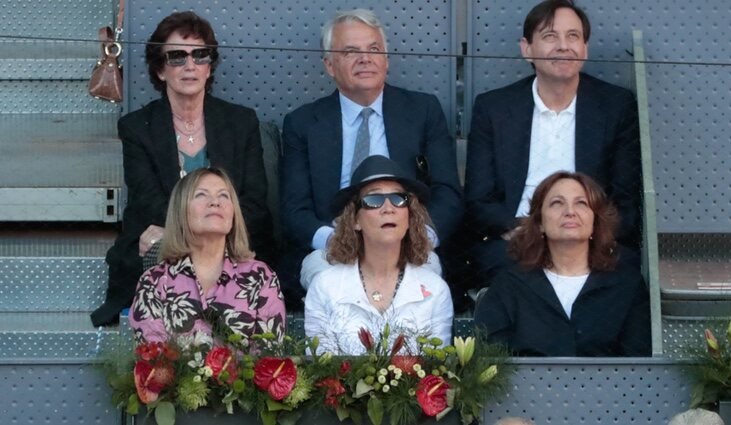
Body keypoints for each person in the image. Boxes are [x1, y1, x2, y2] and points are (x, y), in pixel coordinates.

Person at [91, 11, 274, 326]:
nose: (190, 65)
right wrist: (200, 235)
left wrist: (203, 238)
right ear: (160, 70)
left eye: (199, 55)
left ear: (209, 66)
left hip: (227, 245)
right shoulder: (137, 127)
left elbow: (254, 202)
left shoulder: (241, 122)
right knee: (150, 249)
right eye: (176, 57)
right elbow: (149, 204)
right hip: (162, 252)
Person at [280, 9, 462, 309]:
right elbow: (293, 209)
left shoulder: (422, 111)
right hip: (332, 247)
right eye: (351, 51)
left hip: (409, 243)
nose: (365, 58)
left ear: (386, 60)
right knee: (325, 283)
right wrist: (336, 243)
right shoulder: (303, 123)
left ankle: (411, 359)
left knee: (425, 282)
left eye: (374, 50)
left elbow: (448, 194)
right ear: (329, 65)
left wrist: (420, 239)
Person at [464, 0, 641, 285]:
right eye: (550, 36)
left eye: (573, 36)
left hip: (588, 238)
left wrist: (581, 234)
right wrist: (532, 230)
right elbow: (478, 200)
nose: (563, 46)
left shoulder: (615, 106)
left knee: (624, 270)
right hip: (518, 239)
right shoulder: (494, 108)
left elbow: (625, 202)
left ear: (585, 48)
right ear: (527, 49)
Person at [474, 171, 650, 356]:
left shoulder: (627, 285)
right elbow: (491, 364)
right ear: (540, 222)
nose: (570, 212)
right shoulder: (508, 286)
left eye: (581, 203)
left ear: (595, 221)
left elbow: (638, 367)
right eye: (557, 203)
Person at [305, 155, 453, 355]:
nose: (388, 208)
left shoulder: (435, 290)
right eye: (373, 200)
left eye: (398, 199)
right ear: (354, 220)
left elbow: (436, 373)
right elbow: (322, 374)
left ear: (410, 217)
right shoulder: (324, 287)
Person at [129, 168, 285, 345]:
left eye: (224, 196)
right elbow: (153, 363)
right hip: (177, 374)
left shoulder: (260, 277)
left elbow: (269, 360)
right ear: (181, 210)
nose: (215, 202)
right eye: (202, 195)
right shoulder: (154, 282)